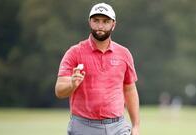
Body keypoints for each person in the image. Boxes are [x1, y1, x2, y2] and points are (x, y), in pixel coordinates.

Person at [55, 2, 140, 135]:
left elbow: (129, 89)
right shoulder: (74, 53)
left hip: (118, 126)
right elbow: (59, 91)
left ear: (113, 25)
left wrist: (135, 126)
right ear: (90, 22)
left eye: (106, 21)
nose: (100, 26)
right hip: (83, 126)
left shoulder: (124, 53)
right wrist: (72, 84)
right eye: (96, 21)